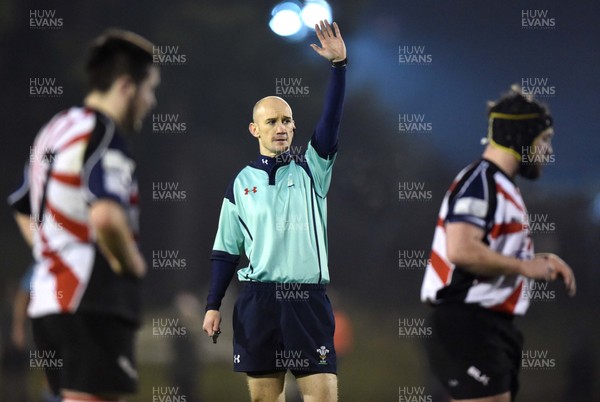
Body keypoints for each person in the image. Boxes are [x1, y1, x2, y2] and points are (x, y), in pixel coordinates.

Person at [7, 29, 159, 402]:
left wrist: (53, 248)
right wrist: (132, 263)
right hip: (92, 298)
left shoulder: (56, 128)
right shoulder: (104, 134)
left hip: (49, 301)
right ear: (126, 85)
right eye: (149, 89)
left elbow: (23, 207)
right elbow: (106, 217)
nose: (151, 101)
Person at [202, 20, 346, 402]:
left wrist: (338, 68)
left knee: (323, 397)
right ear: (255, 129)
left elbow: (330, 124)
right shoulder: (240, 184)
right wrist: (213, 306)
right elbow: (225, 251)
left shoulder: (313, 168)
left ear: (295, 127)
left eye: (286, 121)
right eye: (272, 121)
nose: (280, 127)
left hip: (307, 300)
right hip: (258, 300)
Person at [420, 86, 576, 402]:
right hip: (467, 322)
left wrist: (539, 259)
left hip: (489, 325)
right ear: (521, 137)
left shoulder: (501, 186)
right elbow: (461, 250)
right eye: (544, 140)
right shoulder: (481, 182)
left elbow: (487, 250)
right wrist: (524, 266)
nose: (548, 151)